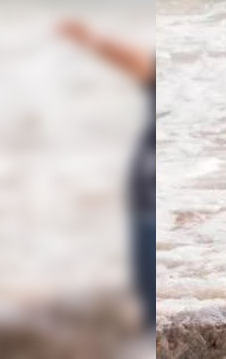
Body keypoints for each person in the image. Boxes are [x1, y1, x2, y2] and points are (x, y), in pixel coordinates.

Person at [59, 19, 156, 331]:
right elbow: (139, 63)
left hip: (148, 195)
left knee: (147, 298)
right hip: (144, 193)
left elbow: (141, 64)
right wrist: (91, 40)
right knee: (144, 296)